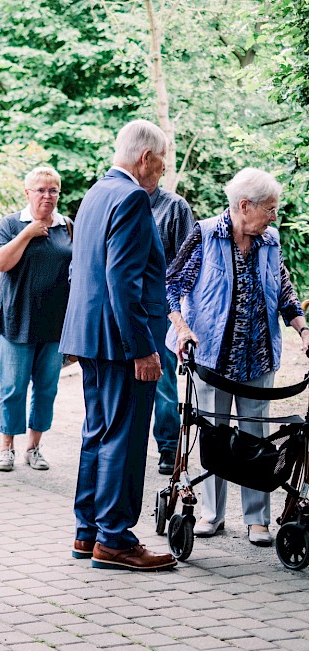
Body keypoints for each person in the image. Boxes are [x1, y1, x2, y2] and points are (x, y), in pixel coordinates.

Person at [167, 167, 309, 545]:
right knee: (214, 436)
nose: (275, 215)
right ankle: (211, 515)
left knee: (256, 438)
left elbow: (284, 292)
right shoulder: (205, 234)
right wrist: (182, 328)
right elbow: (172, 285)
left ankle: (257, 520)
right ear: (244, 206)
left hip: (258, 357)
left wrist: (303, 329)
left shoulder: (270, 240)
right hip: (212, 358)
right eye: (271, 208)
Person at [59, 119, 177, 572]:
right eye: (161, 160)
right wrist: (142, 349)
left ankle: (87, 532)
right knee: (124, 440)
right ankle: (115, 538)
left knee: (98, 434)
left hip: (91, 337)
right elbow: (122, 279)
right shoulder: (130, 197)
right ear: (145, 157)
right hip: (120, 340)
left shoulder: (95, 192)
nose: (162, 171)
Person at [0, 166, 73, 473]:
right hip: (17, 322)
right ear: (27, 193)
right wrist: (28, 232)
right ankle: (6, 448)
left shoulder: (68, 227)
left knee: (46, 389)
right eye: (40, 190)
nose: (47, 196)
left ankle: (34, 448)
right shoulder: (12, 224)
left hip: (55, 326)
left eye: (53, 190)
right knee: (13, 387)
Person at [148, 185, 196, 475]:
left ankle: (168, 447)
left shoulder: (175, 207)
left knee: (163, 381)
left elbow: (188, 263)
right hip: (127, 306)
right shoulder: (120, 198)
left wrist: (181, 318)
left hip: (164, 309)